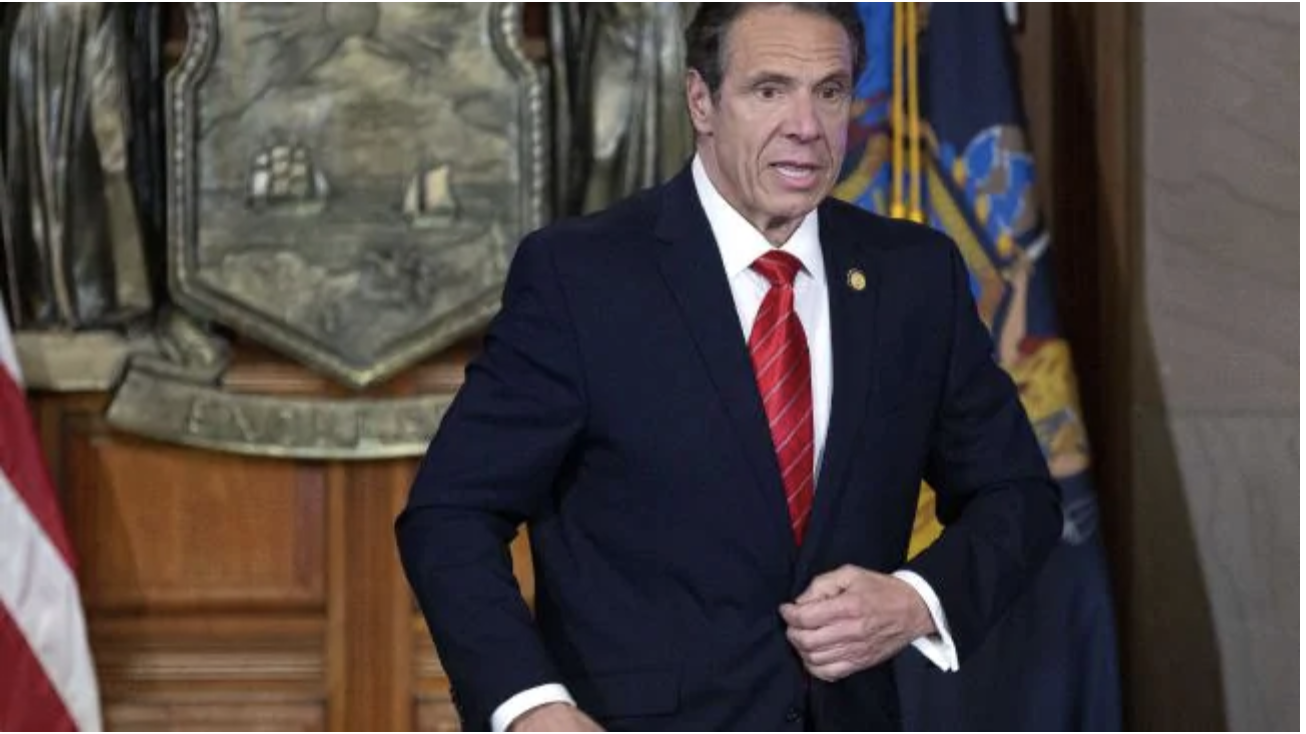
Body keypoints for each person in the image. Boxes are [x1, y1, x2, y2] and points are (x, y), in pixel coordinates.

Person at [396, 4, 1061, 731]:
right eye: (770, 90)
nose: (806, 126)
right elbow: (451, 514)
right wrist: (529, 706)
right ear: (701, 101)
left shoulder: (914, 277)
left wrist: (918, 600)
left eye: (830, 90)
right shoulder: (582, 277)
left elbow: (1017, 495)